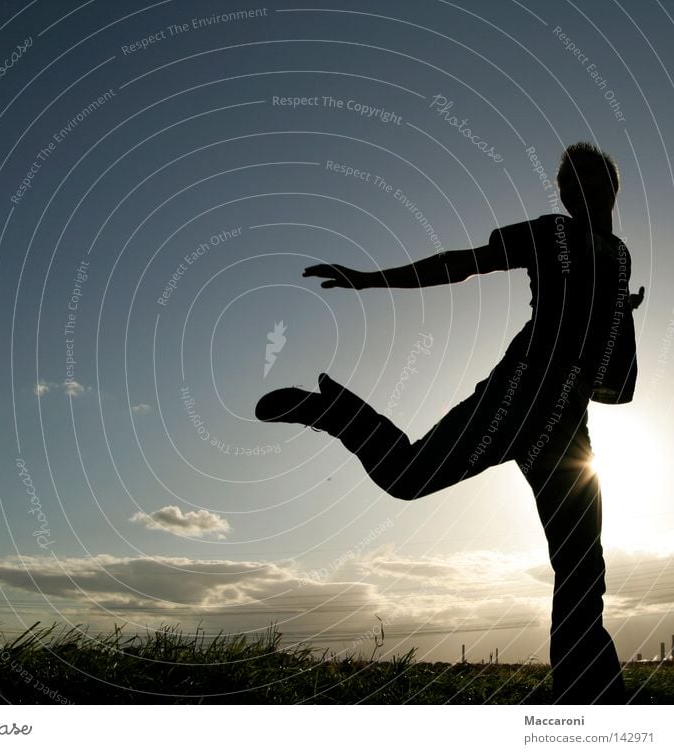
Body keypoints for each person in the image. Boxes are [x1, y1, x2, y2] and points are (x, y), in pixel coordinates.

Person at [256, 142, 644, 704]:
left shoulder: (621, 254)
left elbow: (610, 368)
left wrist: (620, 313)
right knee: (408, 477)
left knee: (582, 570)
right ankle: (331, 410)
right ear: (567, 195)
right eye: (573, 186)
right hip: (516, 399)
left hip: (568, 430)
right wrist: (369, 280)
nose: (582, 193)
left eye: (591, 182)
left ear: (611, 188)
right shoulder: (547, 234)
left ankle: (590, 704)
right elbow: (462, 264)